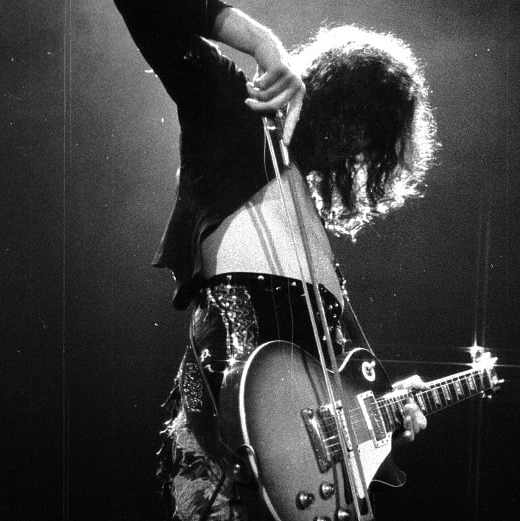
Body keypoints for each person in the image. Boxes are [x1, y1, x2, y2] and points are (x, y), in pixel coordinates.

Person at [114, 0, 438, 519]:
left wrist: (382, 413)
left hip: (307, 494)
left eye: (369, 140)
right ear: (326, 87)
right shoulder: (232, 115)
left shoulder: (309, 225)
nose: (352, 146)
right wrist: (263, 42)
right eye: (354, 117)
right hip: (226, 463)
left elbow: (324, 399)